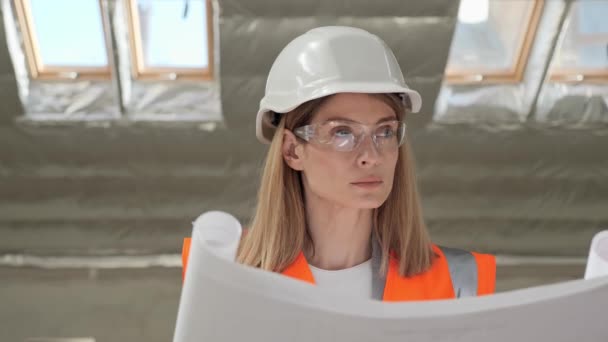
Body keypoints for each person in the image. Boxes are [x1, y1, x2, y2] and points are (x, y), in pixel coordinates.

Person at [182, 26, 495, 301]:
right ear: (292, 151)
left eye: (384, 132)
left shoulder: (457, 281)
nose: (370, 155)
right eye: (342, 133)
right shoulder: (223, 270)